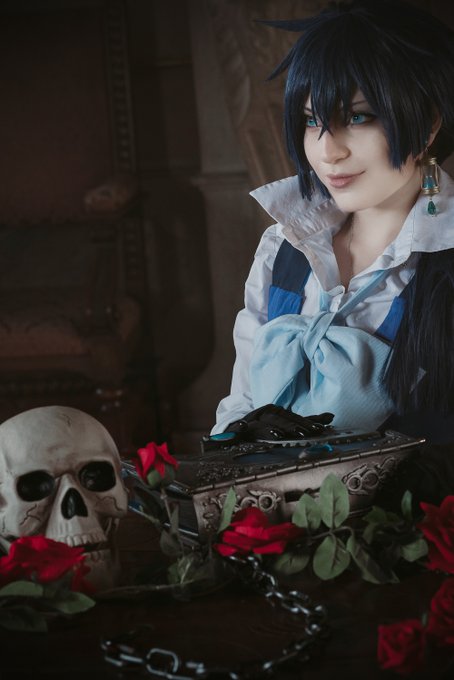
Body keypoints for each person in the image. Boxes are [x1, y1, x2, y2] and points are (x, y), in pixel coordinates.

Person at [211, 0, 454, 445]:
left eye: (358, 117)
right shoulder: (283, 249)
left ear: (428, 123)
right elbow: (240, 404)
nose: (328, 151)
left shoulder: (444, 263)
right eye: (312, 121)